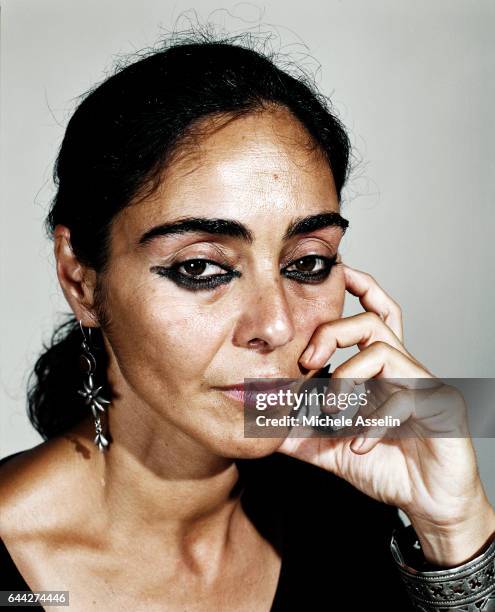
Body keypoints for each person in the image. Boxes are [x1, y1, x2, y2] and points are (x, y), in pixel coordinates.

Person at [1, 34, 494, 611]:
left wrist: (454, 531)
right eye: (202, 267)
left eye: (307, 263)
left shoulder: (354, 507)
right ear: (82, 281)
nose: (277, 325)